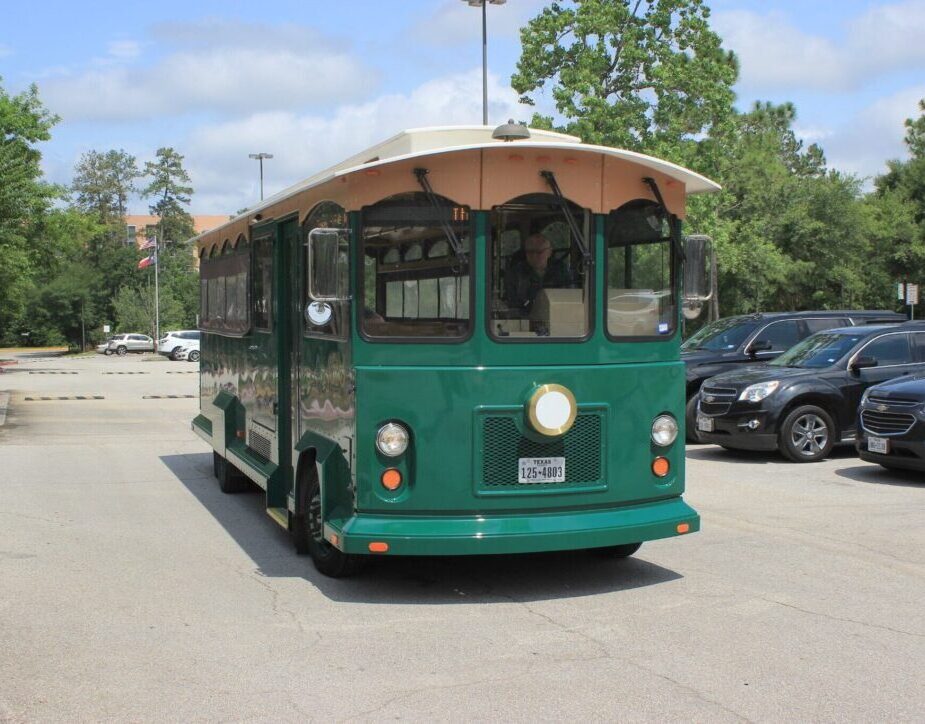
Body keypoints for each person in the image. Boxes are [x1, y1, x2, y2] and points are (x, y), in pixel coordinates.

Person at [503, 233, 571, 313]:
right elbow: (512, 303)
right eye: (530, 252)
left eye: (539, 252)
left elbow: (567, 297)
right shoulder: (515, 274)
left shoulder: (560, 270)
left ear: (549, 252)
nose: (534, 256)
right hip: (525, 319)